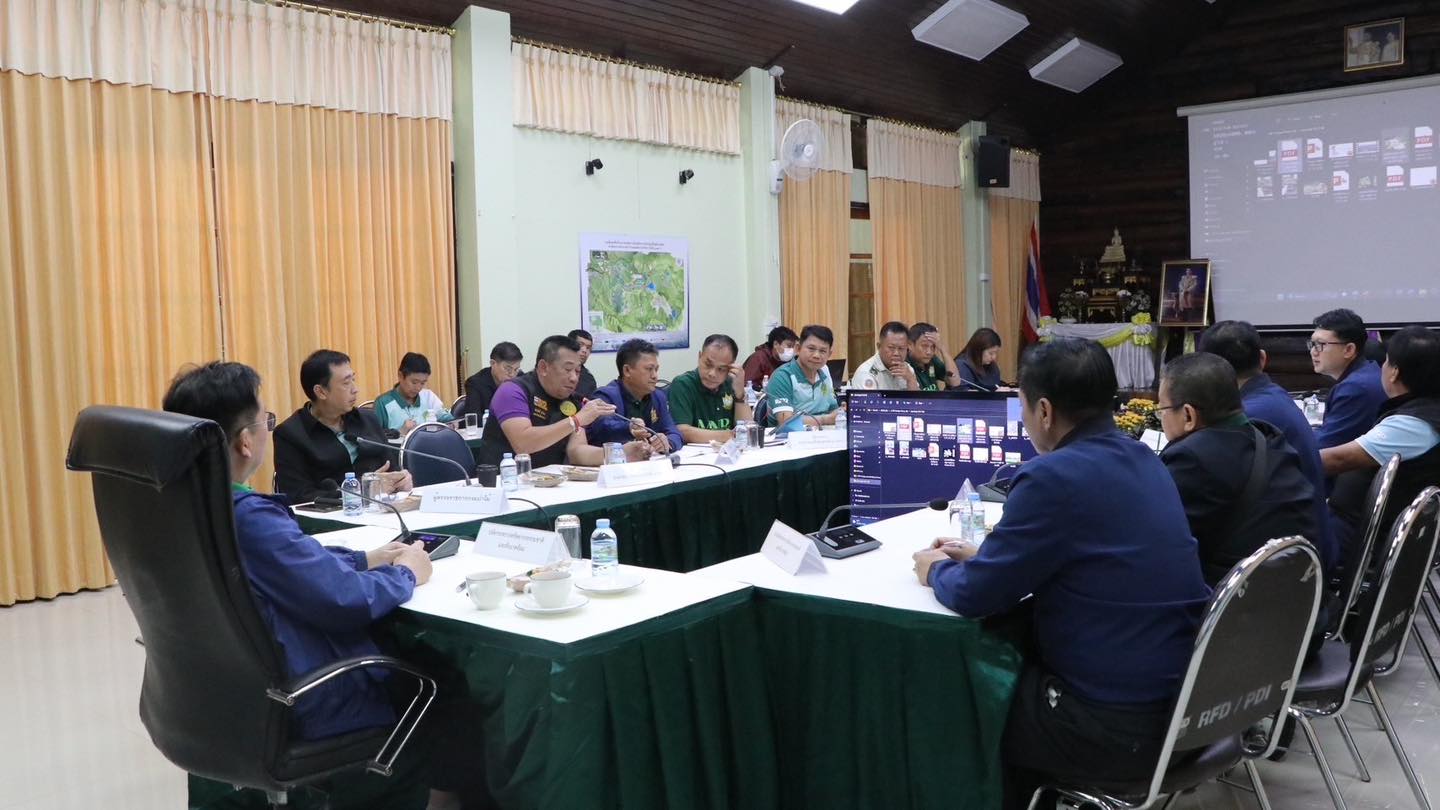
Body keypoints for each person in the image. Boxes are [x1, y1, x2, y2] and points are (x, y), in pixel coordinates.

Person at [910, 339, 1210, 810]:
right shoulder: (1144, 458)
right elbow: (1091, 556)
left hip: (1114, 727)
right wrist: (988, 557)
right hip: (1188, 708)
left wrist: (937, 570)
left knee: (963, 695)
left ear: (1045, 410)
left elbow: (975, 596)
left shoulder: (1051, 477)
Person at [164, 362, 445, 808]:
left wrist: (364, 558)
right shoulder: (249, 519)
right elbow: (344, 599)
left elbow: (289, 564)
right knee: (438, 684)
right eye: (265, 419)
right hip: (302, 696)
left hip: (210, 698)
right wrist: (406, 572)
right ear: (245, 441)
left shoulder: (179, 505)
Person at [1156, 353, 1319, 585]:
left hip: (1234, 597)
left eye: (1162, 409)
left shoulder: (1190, 458)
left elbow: (1161, 542)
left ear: (1188, 415)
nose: (1161, 417)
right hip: (1303, 589)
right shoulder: (1268, 436)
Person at [1200, 320, 1336, 575]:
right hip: (1307, 545)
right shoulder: (1273, 396)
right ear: (1262, 358)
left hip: (1294, 568)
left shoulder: (1246, 417)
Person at [1322, 326, 1440, 572]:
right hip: (1364, 529)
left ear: (1394, 372)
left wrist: (1281, 459)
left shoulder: (1413, 425)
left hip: (1363, 542)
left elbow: (1338, 460)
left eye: (1385, 362)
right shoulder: (1423, 410)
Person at [477, 335, 647, 469]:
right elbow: (523, 444)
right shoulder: (512, 391)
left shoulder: (573, 400)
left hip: (550, 482)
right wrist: (576, 420)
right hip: (503, 484)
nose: (574, 378)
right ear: (543, 367)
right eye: (567, 369)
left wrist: (619, 453)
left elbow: (577, 451)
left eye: (577, 371)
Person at [274, 350, 412, 504]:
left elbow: (392, 469)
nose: (355, 389)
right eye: (346, 383)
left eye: (353, 379)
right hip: (331, 517)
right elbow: (298, 497)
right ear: (321, 392)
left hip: (383, 510)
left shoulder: (368, 420)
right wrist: (360, 492)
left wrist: (402, 480)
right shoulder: (290, 435)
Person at [589, 338, 684, 455]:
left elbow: (675, 433)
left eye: (656, 369)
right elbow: (602, 429)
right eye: (649, 369)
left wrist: (668, 442)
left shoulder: (658, 397)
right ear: (627, 370)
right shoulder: (605, 396)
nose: (655, 376)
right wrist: (629, 428)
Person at [1310, 308, 1387, 450]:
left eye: (1320, 345)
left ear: (1349, 350)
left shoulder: (1356, 389)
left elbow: (1323, 446)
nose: (1313, 352)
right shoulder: (1366, 372)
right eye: (1312, 344)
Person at [667, 333, 754, 444]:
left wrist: (740, 393)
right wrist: (727, 435)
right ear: (699, 357)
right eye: (708, 364)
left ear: (731, 367)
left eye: (721, 369)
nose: (712, 374)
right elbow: (682, 431)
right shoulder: (683, 384)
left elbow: (748, 429)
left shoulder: (731, 383)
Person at [765, 324, 841, 431]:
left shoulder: (824, 373)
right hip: (788, 437)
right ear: (798, 348)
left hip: (823, 435)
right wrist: (825, 419)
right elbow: (786, 421)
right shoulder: (782, 376)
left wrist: (841, 412)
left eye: (823, 351)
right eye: (811, 349)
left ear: (829, 354)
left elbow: (833, 409)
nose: (816, 355)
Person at [373, 352, 453, 435]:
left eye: (422, 383)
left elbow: (446, 418)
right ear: (400, 376)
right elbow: (374, 438)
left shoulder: (428, 397)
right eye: (414, 382)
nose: (418, 388)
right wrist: (400, 432)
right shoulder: (383, 403)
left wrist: (452, 423)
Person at [850, 321, 919, 391]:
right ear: (879, 346)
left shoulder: (907, 369)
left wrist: (910, 379)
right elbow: (870, 398)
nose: (896, 353)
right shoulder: (866, 373)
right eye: (891, 347)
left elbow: (917, 398)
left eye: (901, 348)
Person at [463, 342, 523, 420]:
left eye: (516, 369)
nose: (512, 374)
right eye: (508, 369)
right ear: (493, 363)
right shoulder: (475, 383)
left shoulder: (520, 379)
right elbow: (474, 419)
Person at [907, 322, 963, 391]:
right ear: (910, 345)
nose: (929, 352)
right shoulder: (905, 364)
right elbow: (915, 396)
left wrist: (942, 349)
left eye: (933, 346)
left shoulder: (932, 359)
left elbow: (955, 382)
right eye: (924, 346)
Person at [569, 328, 599, 398]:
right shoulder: (555, 370)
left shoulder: (589, 379)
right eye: (580, 345)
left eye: (588, 348)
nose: (584, 350)